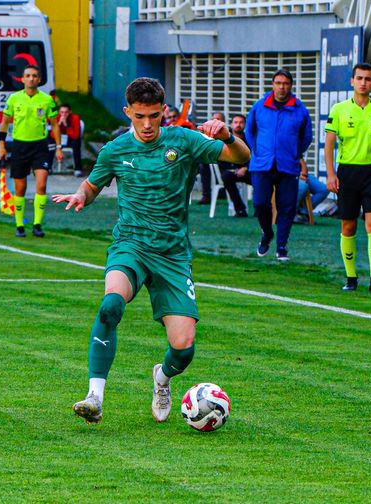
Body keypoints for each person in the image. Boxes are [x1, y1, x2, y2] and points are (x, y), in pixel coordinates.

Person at [52, 77, 249, 424]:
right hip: (131, 244)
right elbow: (93, 184)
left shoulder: (184, 141)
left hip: (172, 255)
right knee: (111, 303)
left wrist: (227, 135)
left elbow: (241, 156)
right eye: (139, 116)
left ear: (163, 113)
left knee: (184, 349)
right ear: (128, 111)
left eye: (154, 116)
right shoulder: (115, 150)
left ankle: (162, 378)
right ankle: (94, 396)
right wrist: (81, 195)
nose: (146, 124)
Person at [325, 63, 371, 293]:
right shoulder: (338, 109)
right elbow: (329, 144)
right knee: (348, 226)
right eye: (359, 78)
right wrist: (331, 174)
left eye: (368, 79)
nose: (363, 82)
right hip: (347, 172)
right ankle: (350, 277)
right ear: (352, 81)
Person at [245, 68, 313, 261]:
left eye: (285, 83)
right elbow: (250, 131)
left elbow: (306, 136)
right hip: (261, 164)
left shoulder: (299, 109)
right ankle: (267, 234)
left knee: (287, 206)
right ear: (273, 85)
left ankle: (282, 246)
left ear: (291, 86)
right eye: (278, 83)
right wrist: (256, 150)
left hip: (288, 164)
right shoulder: (260, 106)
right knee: (259, 203)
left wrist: (295, 153)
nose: (282, 87)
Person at [0, 64, 63, 238]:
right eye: (28, 75)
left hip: (40, 146)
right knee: (20, 188)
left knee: (41, 184)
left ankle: (37, 224)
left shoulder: (46, 99)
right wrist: (1, 145)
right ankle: (19, 225)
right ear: (22, 79)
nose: (31, 78)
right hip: (19, 146)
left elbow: (55, 124)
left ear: (39, 79)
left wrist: (58, 147)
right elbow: (4, 122)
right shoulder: (14, 99)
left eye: (35, 75)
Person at [219, 114, 251, 217]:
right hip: (230, 172)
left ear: (245, 125)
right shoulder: (225, 139)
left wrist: (245, 168)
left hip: (247, 172)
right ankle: (240, 209)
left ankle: (260, 211)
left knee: (261, 179)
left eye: (241, 122)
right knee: (226, 176)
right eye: (236, 122)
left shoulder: (249, 140)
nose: (238, 125)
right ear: (231, 124)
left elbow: (254, 156)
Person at [195, 111, 227, 205]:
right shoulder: (209, 135)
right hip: (213, 165)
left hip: (226, 166)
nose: (215, 121)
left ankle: (207, 195)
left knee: (204, 164)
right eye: (213, 119)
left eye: (218, 119)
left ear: (223, 121)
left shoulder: (227, 134)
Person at [295, 158, 329, 224]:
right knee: (303, 185)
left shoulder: (295, 148)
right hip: (288, 175)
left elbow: (304, 165)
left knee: (324, 189)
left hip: (301, 174)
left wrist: (304, 175)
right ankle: (292, 214)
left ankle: (303, 212)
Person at [58, 103, 84, 177]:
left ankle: (78, 169)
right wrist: (59, 125)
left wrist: (66, 125)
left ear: (70, 112)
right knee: (49, 143)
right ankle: (48, 166)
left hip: (71, 139)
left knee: (76, 143)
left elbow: (76, 135)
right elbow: (53, 134)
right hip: (60, 140)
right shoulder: (57, 117)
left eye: (66, 112)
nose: (63, 114)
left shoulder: (75, 118)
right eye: (62, 112)